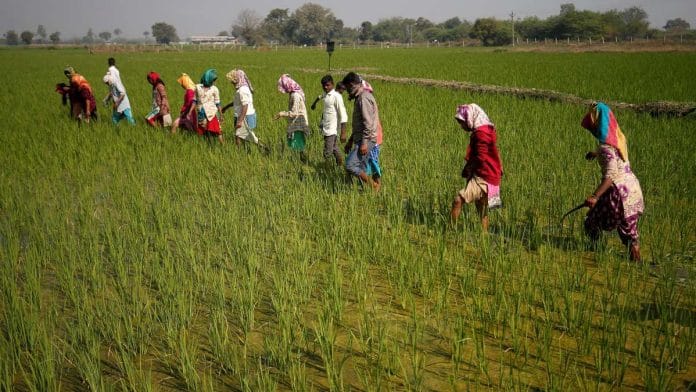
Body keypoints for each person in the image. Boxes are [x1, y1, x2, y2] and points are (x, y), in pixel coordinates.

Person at [581, 102, 644, 262]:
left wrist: (595, 196)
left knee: (591, 222)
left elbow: (610, 174)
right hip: (633, 191)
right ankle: (638, 266)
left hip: (617, 193)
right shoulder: (619, 139)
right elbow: (615, 156)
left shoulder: (605, 148)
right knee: (630, 234)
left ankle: (595, 254)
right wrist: (596, 153)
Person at [450, 104, 503, 231]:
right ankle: (484, 237)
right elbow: (494, 151)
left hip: (484, 175)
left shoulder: (481, 134)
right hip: (490, 174)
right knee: (481, 207)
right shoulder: (487, 129)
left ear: (470, 118)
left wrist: (468, 168)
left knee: (458, 200)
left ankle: (449, 230)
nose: (462, 127)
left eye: (462, 123)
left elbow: (481, 157)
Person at [341, 72, 382, 190]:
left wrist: (364, 143)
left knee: (350, 165)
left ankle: (373, 186)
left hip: (367, 139)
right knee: (362, 166)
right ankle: (367, 190)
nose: (347, 91)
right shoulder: (359, 97)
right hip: (362, 138)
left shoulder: (363, 98)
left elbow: (368, 124)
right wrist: (350, 141)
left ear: (353, 85)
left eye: (348, 88)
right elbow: (359, 125)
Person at [222, 69, 267, 150]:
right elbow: (237, 102)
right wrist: (226, 107)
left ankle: (262, 148)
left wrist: (240, 120)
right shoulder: (244, 88)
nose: (232, 82)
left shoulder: (242, 90)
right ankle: (260, 148)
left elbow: (245, 105)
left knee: (241, 136)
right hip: (245, 115)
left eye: (233, 80)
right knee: (245, 136)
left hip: (245, 116)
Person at [275, 74, 311, 162]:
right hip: (296, 122)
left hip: (299, 123)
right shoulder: (293, 94)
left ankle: (300, 162)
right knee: (297, 144)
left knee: (297, 144)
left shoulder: (295, 95)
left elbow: (294, 113)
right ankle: (300, 161)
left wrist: (282, 113)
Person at [315, 74, 347, 167]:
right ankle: (340, 164)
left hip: (332, 129)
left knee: (327, 151)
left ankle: (326, 171)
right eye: (324, 85)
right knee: (334, 148)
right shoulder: (325, 94)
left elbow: (343, 114)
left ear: (332, 84)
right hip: (326, 126)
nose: (325, 87)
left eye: (328, 85)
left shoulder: (336, 96)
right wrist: (314, 104)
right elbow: (320, 97)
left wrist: (343, 132)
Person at [194, 69, 224, 143]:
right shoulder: (197, 87)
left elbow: (217, 103)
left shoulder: (214, 89)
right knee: (205, 130)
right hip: (201, 112)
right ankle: (209, 144)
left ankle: (222, 145)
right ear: (208, 79)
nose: (214, 82)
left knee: (217, 130)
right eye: (213, 80)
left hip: (212, 113)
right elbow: (194, 100)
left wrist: (221, 114)